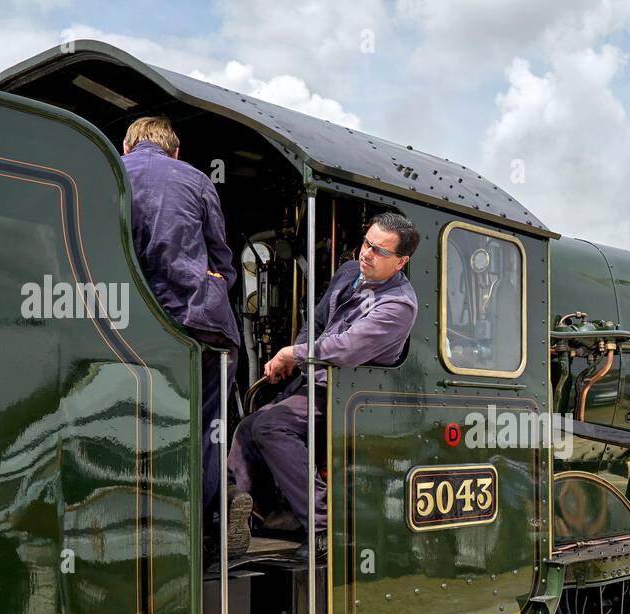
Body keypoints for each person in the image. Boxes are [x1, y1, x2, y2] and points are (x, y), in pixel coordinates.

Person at [226, 212, 420, 554]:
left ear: (401, 261)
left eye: (379, 251)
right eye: (366, 243)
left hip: (350, 395)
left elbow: (346, 348)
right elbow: (316, 322)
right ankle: (239, 518)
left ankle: (323, 528)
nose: (366, 253)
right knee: (247, 426)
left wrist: (295, 355)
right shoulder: (349, 272)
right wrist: (295, 356)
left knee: (270, 427)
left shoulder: (399, 305)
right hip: (315, 381)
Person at [119, 116, 252, 556]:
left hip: (132, 324)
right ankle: (206, 527)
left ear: (128, 146)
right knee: (208, 426)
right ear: (175, 150)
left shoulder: (111, 173)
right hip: (200, 321)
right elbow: (222, 255)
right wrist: (212, 283)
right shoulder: (195, 179)